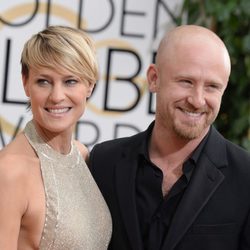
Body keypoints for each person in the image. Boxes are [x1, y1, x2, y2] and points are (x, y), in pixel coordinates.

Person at [89, 25, 250, 250]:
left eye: (212, 87)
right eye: (186, 82)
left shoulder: (245, 177)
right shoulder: (103, 162)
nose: (197, 100)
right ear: (154, 78)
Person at [0, 26, 112, 249]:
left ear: (89, 85)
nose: (57, 96)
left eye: (70, 81)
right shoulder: (9, 172)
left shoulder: (82, 154)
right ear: (25, 83)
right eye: (44, 81)